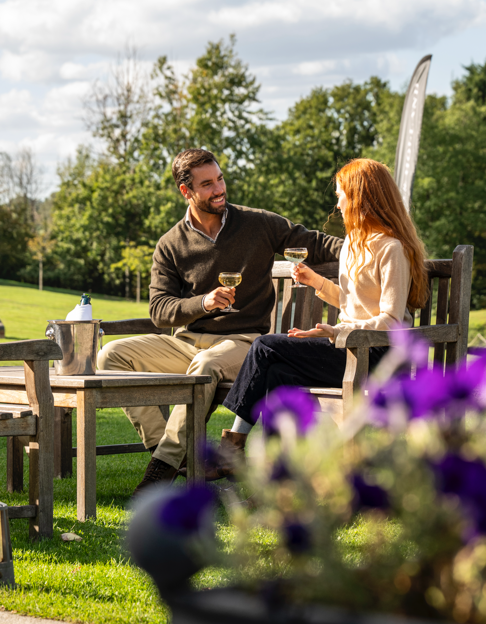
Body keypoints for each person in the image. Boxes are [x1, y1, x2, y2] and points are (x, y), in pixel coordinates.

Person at [97, 148, 343, 495]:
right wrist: (203, 302)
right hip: (187, 343)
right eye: (207, 184)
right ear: (186, 191)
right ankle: (173, 456)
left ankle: (160, 470)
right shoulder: (170, 244)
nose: (219, 189)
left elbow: (315, 243)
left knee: (206, 365)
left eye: (220, 179)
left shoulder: (258, 223)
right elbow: (160, 310)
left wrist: (369, 249)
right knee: (110, 355)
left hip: (243, 343)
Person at [214, 158, 428, 477]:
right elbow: (354, 303)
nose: (338, 204)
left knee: (263, 346)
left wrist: (336, 332)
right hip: (347, 347)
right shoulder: (353, 245)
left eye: (341, 195)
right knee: (277, 374)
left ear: (361, 198)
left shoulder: (391, 249)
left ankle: (230, 449)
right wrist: (316, 282)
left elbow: (390, 321)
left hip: (375, 356)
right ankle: (278, 476)